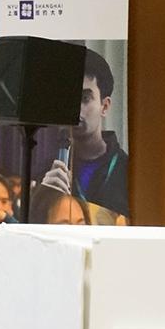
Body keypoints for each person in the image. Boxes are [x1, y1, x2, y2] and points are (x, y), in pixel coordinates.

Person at [41, 48, 130, 223]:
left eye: (85, 98)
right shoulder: (46, 171)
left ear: (104, 106)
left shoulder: (126, 171)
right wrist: (44, 197)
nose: (75, 109)